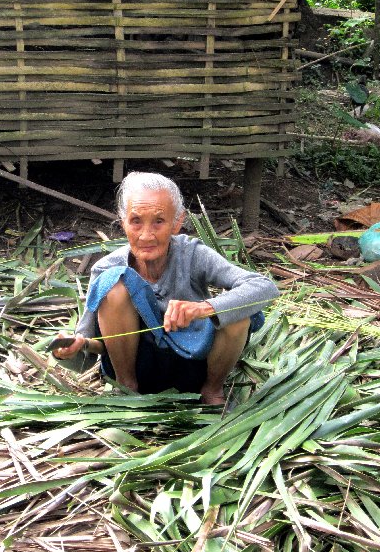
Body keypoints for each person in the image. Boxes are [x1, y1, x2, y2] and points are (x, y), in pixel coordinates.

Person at [52, 172, 279, 404]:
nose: (146, 235)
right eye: (136, 221)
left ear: (176, 223)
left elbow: (264, 287)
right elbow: (90, 344)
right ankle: (126, 390)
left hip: (194, 367)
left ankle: (212, 392)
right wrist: (76, 347)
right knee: (115, 284)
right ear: (123, 223)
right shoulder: (106, 268)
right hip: (140, 369)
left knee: (237, 315)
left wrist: (204, 308)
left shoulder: (193, 254)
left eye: (159, 221)